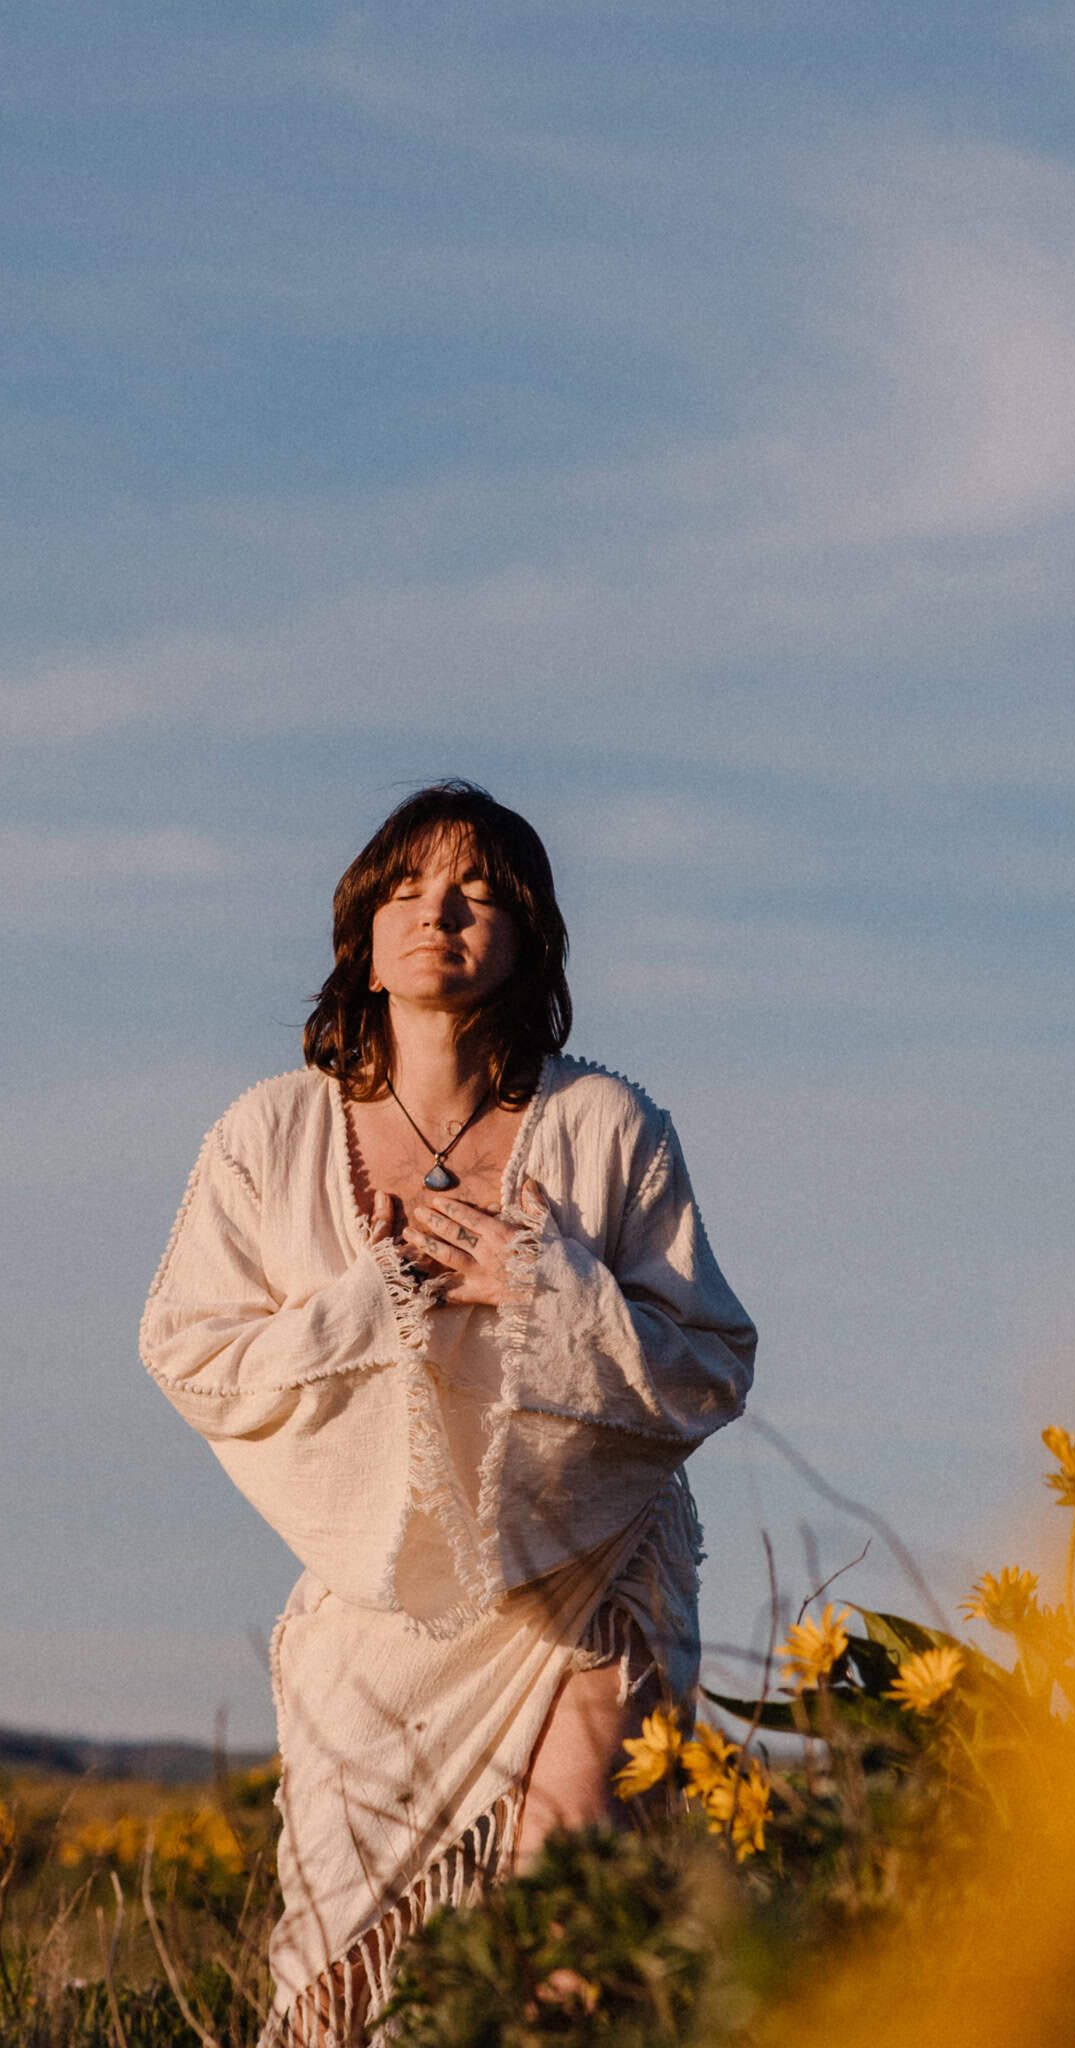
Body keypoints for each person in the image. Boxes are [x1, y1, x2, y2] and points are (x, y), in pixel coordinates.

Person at [140, 782, 756, 2047]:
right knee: (342, 1982)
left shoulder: (607, 1125)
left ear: (528, 935)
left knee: (561, 1939)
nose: (441, 913)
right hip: (376, 1606)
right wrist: (375, 1303)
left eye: (479, 892)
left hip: (586, 1579)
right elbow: (191, 1352)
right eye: (407, 891)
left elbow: (706, 1364)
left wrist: (542, 1286)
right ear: (360, 935)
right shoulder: (267, 1134)